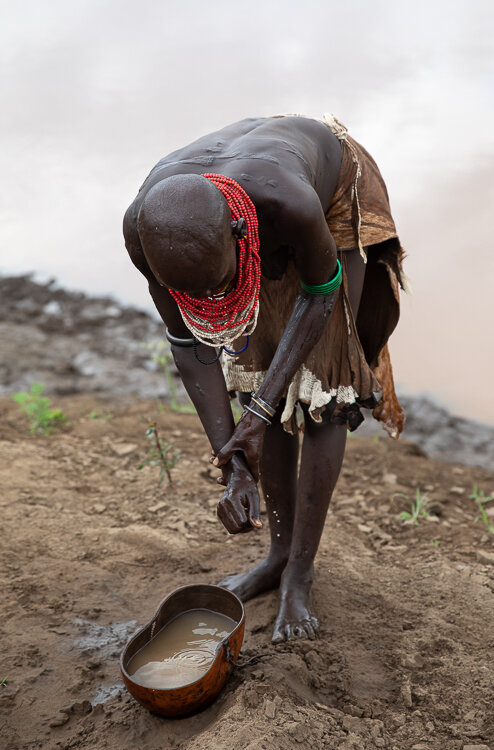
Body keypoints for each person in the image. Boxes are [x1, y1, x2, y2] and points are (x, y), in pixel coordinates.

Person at [123, 114, 406, 643]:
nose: (213, 303)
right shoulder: (145, 230)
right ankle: (276, 555)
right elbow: (187, 343)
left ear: (237, 232)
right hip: (250, 203)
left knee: (325, 392)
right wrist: (232, 460)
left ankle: (299, 572)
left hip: (332, 193)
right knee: (261, 381)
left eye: (220, 284)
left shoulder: (290, 205)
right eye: (196, 293)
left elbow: (322, 292)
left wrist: (256, 415)